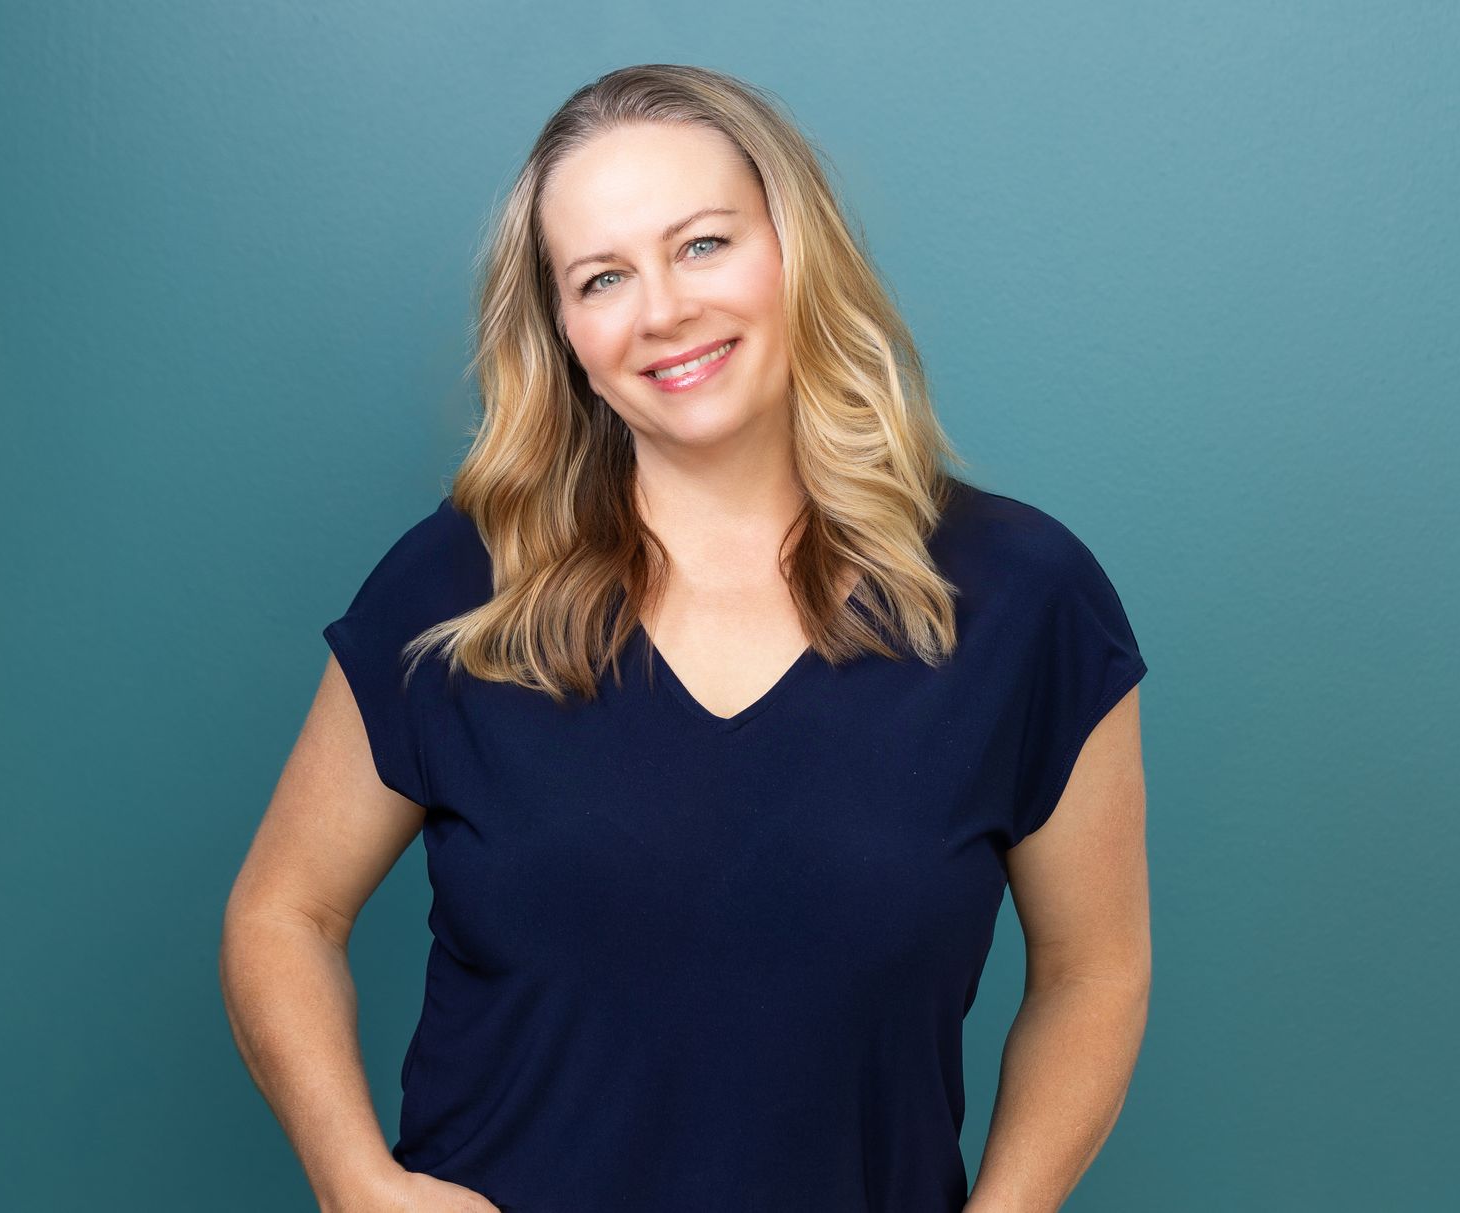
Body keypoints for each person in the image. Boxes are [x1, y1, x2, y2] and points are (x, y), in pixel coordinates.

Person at [222, 64, 1151, 1213]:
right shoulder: (461, 583)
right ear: (563, 331)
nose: (662, 310)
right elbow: (283, 914)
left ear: (792, 247)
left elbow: (1092, 970)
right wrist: (359, 1184)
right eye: (602, 277)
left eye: (703, 243)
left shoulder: (1021, 599)